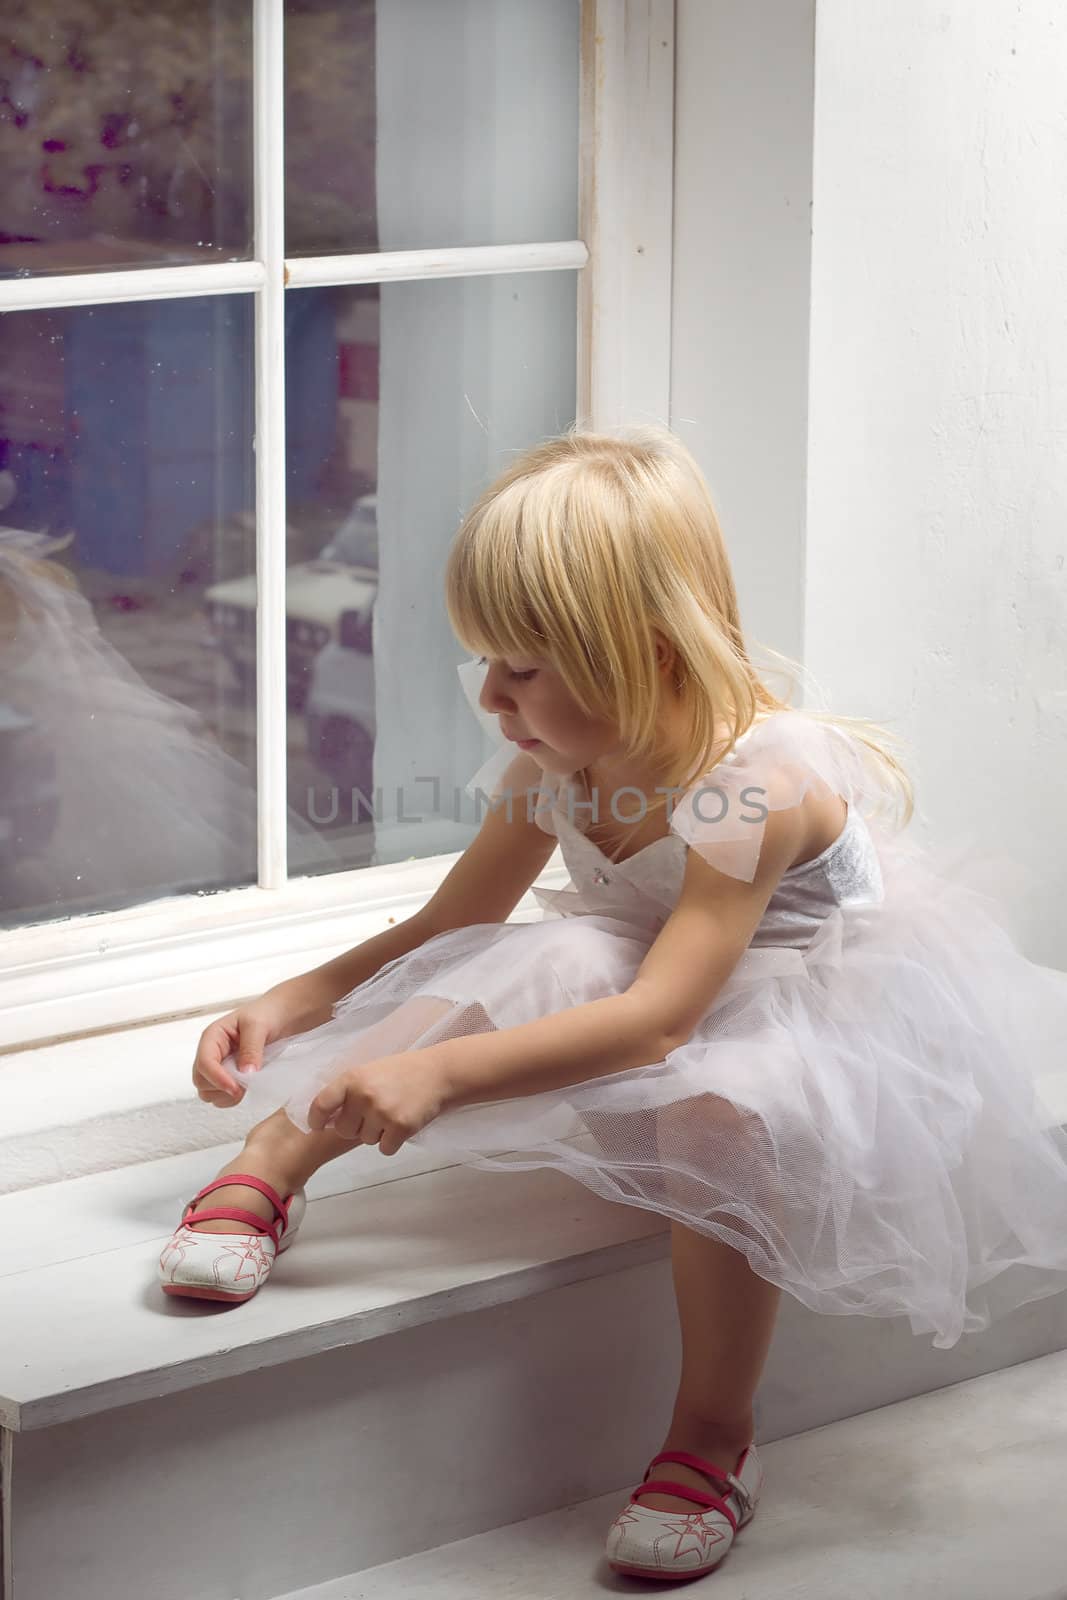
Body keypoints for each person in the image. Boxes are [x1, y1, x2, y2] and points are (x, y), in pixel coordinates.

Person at [158, 427, 1067, 1582]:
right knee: (526, 956)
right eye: (486, 661)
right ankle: (278, 1150)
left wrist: (437, 1075)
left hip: (784, 1005)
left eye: (521, 668)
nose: (487, 697)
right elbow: (449, 926)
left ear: (647, 656)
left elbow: (659, 1021)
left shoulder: (755, 784)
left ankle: (711, 1436)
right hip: (646, 969)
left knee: (718, 1110)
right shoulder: (554, 759)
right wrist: (292, 1003)